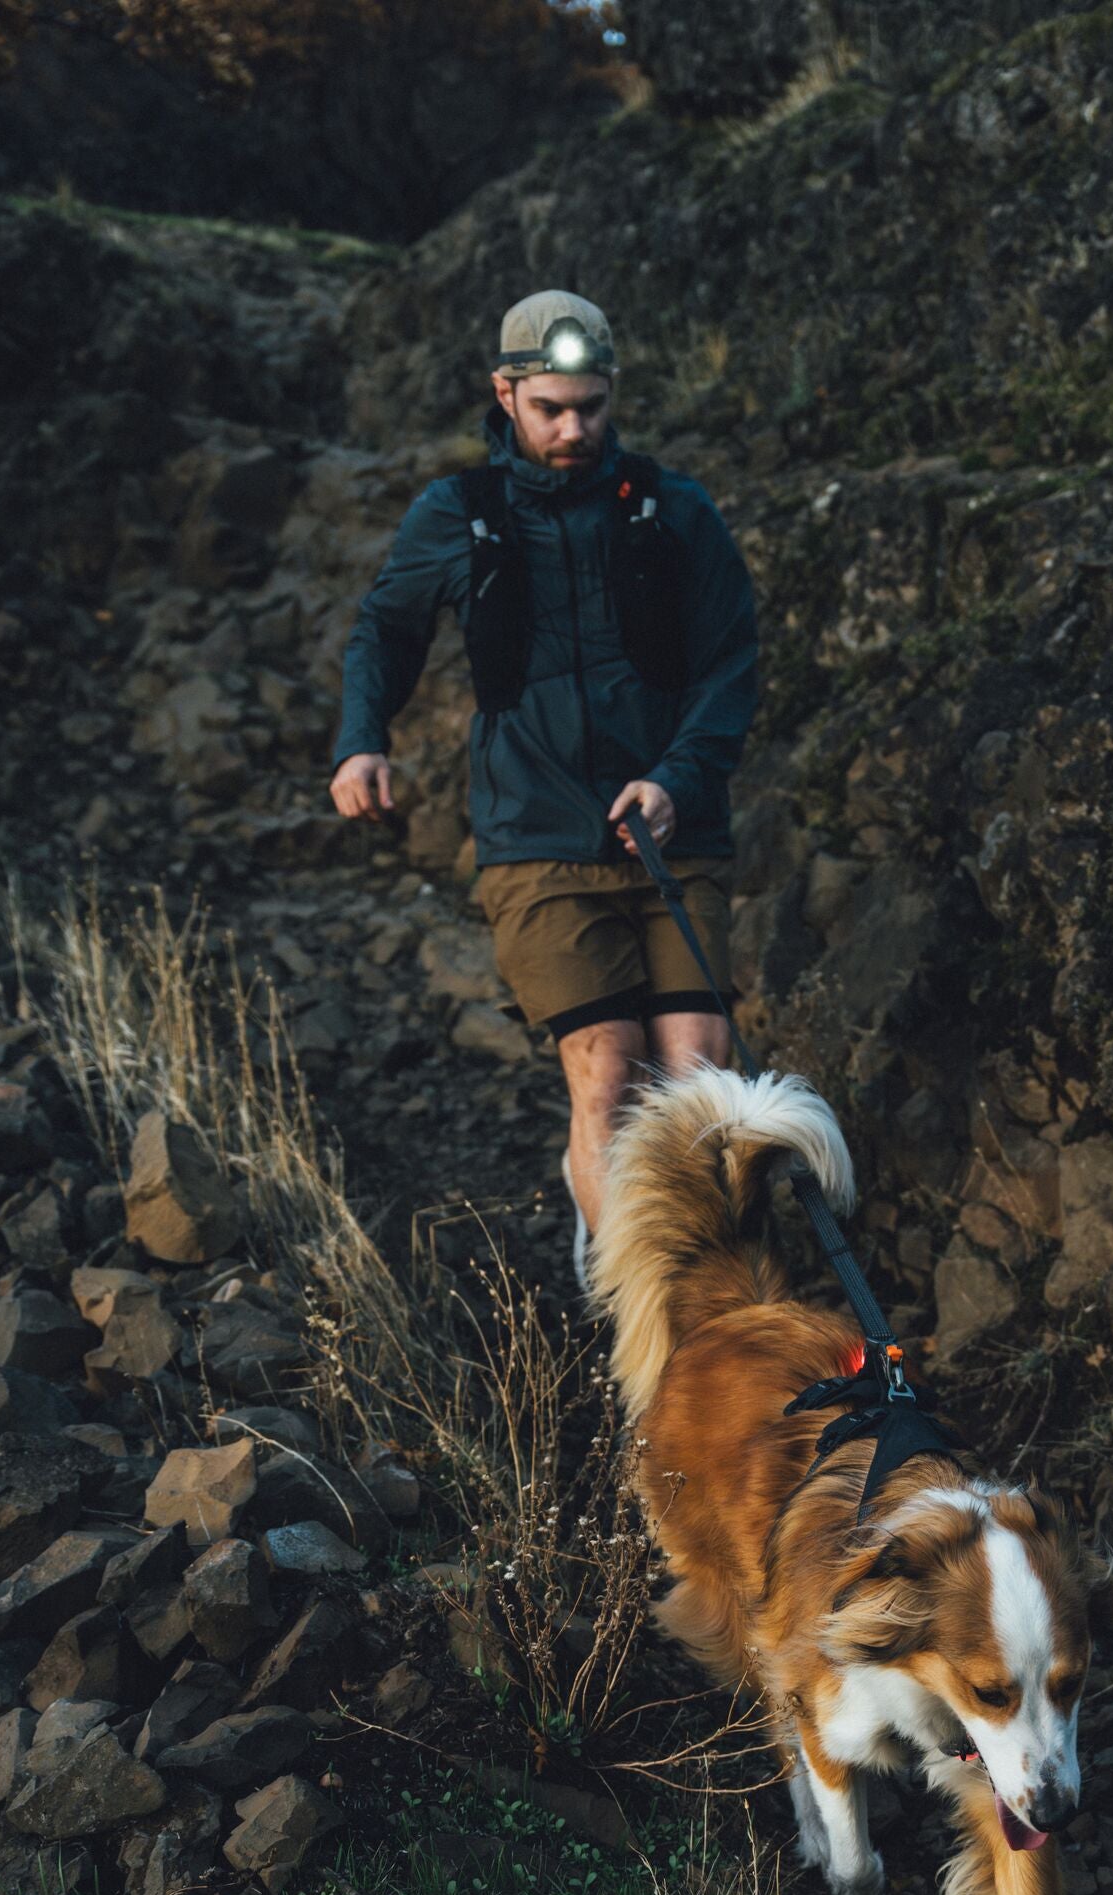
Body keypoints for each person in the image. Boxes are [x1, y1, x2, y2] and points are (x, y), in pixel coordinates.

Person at [329, 288, 758, 1278]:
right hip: (537, 839)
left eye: (593, 407)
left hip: (671, 827)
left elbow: (731, 662)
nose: (574, 429)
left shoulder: (672, 510)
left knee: (695, 1073)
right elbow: (385, 631)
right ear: (506, 394)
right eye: (552, 408)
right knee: (609, 1075)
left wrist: (676, 778)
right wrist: (363, 740)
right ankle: (640, 1314)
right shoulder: (459, 515)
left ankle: (694, 1268)